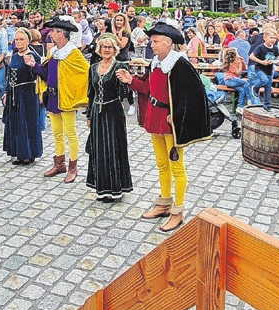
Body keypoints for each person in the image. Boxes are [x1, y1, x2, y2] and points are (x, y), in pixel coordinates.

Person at [118, 19, 211, 232]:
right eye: (152, 41)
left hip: (171, 123)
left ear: (168, 42)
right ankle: (164, 203)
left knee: (176, 166)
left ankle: (178, 211)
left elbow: (193, 94)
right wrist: (129, 80)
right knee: (161, 163)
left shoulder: (179, 64)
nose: (152, 44)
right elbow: (148, 88)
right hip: (155, 117)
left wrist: (176, 113)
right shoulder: (156, 62)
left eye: (156, 41)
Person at [29, 16, 89, 183]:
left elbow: (86, 72)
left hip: (67, 98)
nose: (50, 34)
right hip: (53, 97)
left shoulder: (73, 53)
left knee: (71, 133)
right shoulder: (53, 52)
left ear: (62, 33)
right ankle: (59, 163)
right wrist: (34, 65)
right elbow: (46, 74)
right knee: (56, 133)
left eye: (53, 31)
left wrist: (76, 91)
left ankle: (73, 167)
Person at [85, 34, 133, 202]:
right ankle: (102, 188)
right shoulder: (93, 68)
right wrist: (89, 115)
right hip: (97, 114)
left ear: (115, 49)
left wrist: (124, 82)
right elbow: (91, 94)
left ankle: (115, 189)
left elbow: (125, 96)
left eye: (110, 47)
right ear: (99, 49)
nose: (106, 50)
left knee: (113, 148)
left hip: (113, 112)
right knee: (99, 150)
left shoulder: (119, 66)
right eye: (104, 47)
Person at [3, 29, 44, 166]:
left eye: (21, 39)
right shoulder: (14, 55)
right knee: (15, 123)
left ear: (27, 41)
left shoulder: (32, 55)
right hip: (14, 92)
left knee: (26, 123)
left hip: (27, 93)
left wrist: (32, 65)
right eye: (17, 39)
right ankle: (18, 152)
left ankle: (29, 153)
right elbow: (9, 76)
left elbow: (39, 74)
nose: (18, 42)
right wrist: (5, 93)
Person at [247, 30, 279, 110]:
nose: (273, 40)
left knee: (268, 88)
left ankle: (267, 105)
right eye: (271, 38)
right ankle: (255, 87)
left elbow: (276, 57)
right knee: (264, 80)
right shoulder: (260, 47)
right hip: (259, 68)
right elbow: (251, 56)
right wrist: (262, 62)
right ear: (265, 38)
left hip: (269, 69)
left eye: (274, 38)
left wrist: (276, 62)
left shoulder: (275, 48)